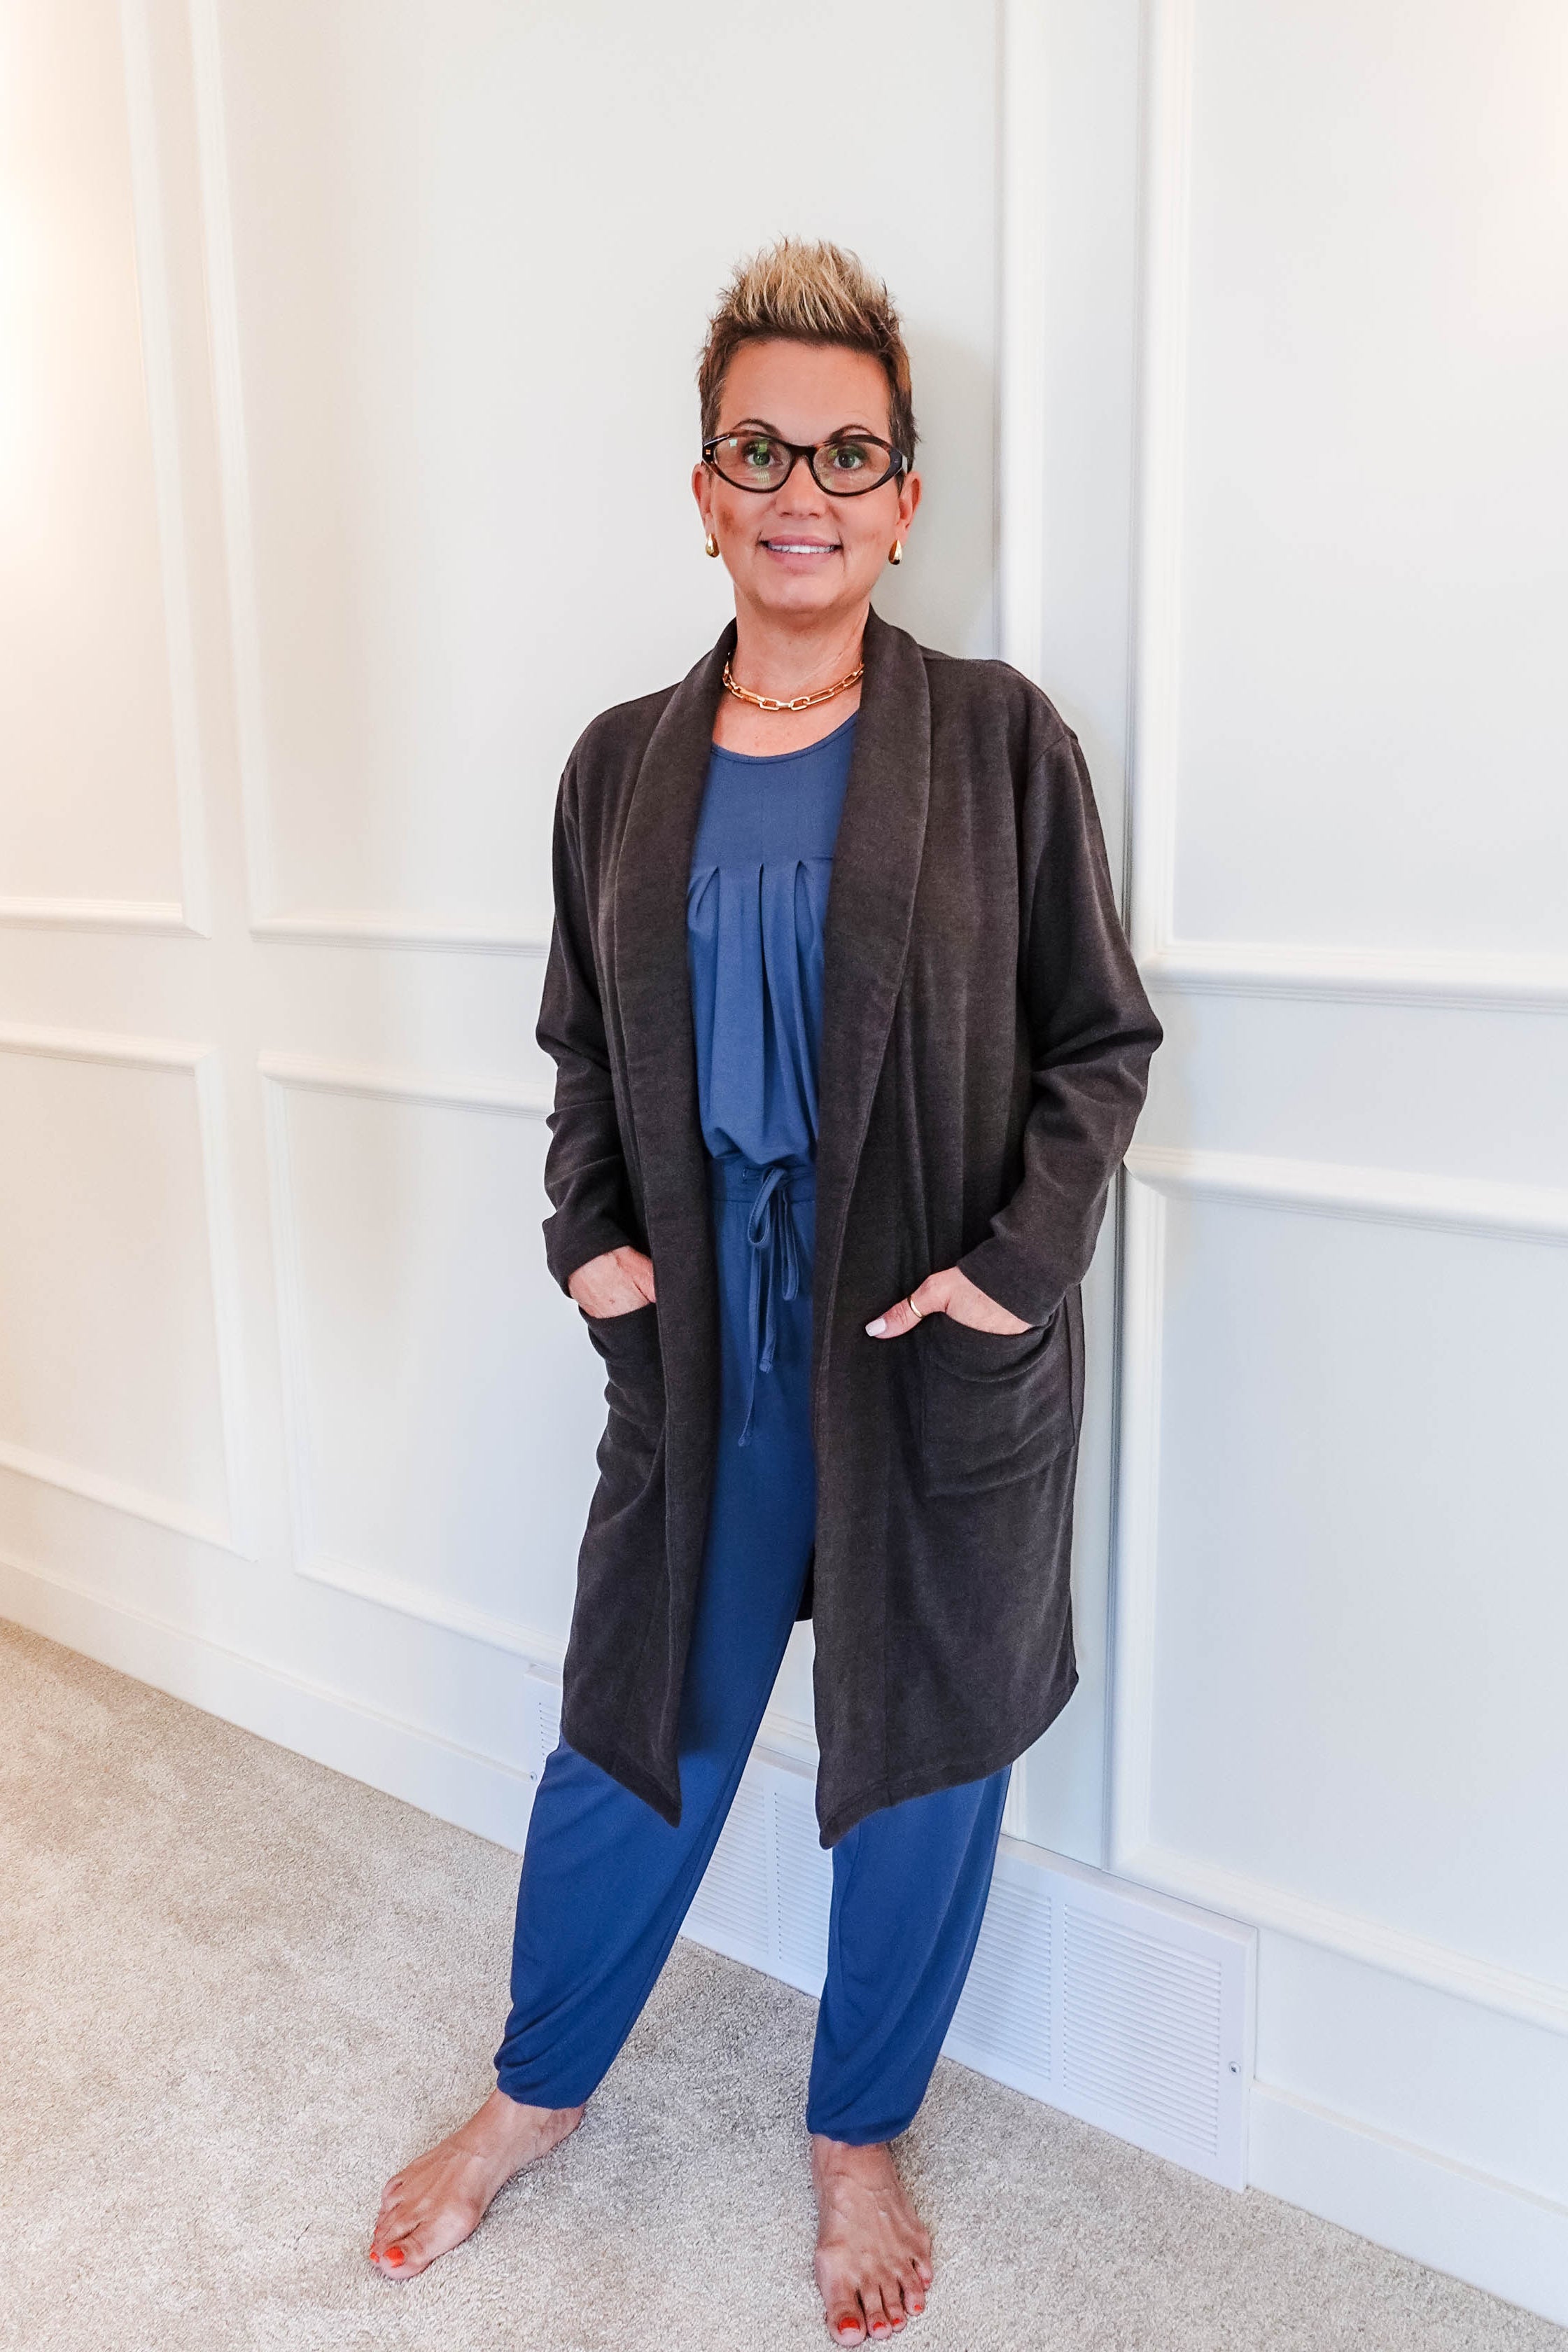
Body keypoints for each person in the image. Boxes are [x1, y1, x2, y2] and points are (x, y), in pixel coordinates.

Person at [368, 237, 1162, 2343]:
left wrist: (1010, 1276)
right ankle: (533, 2097)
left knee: (921, 1751)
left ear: (904, 499)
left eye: (848, 453)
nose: (800, 488)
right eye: (759, 448)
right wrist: (589, 1233)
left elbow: (1100, 1047)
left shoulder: (997, 745)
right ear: (701, 487)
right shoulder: (618, 764)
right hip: (702, 1332)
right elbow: (575, 1053)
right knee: (641, 1730)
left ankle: (855, 2138)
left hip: (929, 1333)